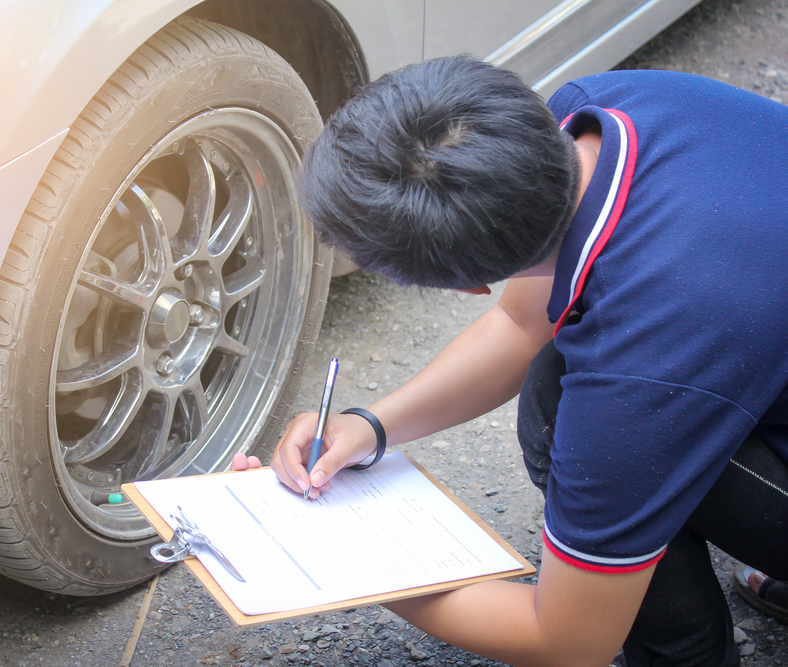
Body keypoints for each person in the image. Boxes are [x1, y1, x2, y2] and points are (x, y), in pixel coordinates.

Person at [232, 56, 788, 666]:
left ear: (466, 287)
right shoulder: (604, 107)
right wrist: (370, 427)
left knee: (558, 405)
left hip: (691, 344)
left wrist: (339, 561)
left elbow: (567, 640)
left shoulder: (635, 368)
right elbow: (523, 323)